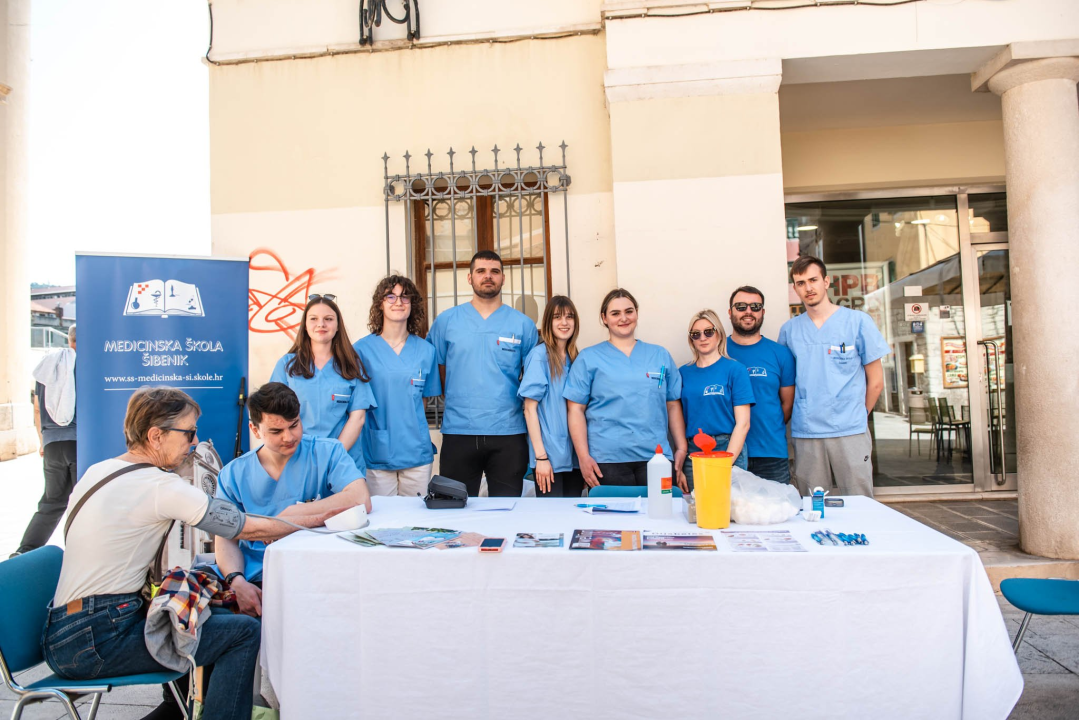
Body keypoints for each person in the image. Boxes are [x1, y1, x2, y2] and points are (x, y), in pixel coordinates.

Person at [42, 387, 332, 720]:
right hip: (98, 638)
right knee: (243, 632)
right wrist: (317, 519)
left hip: (68, 628)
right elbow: (245, 528)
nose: (195, 442)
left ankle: (179, 709)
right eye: (189, 432)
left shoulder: (99, 470)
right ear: (156, 436)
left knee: (202, 617)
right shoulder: (159, 487)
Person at [215, 382, 373, 618]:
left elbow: (360, 498)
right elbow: (226, 536)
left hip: (320, 573)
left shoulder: (327, 452)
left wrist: (290, 517)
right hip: (259, 578)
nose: (289, 437)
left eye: (294, 425)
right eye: (276, 432)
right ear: (255, 430)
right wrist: (237, 582)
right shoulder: (233, 474)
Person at [427, 250, 538, 497]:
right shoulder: (447, 321)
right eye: (481, 271)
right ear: (469, 278)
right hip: (459, 431)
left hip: (508, 432)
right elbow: (440, 368)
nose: (488, 276)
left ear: (503, 278)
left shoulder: (522, 325)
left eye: (494, 271)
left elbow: (531, 377)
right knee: (454, 509)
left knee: (507, 509)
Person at [779, 255, 890, 497]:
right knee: (812, 505)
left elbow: (877, 382)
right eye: (800, 283)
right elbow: (787, 383)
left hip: (849, 429)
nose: (808, 288)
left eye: (813, 280)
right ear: (795, 288)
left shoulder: (858, 322)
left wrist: (858, 414)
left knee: (859, 502)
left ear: (826, 281)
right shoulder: (790, 331)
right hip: (807, 431)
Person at [564, 288, 687, 489]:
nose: (624, 318)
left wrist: (681, 447)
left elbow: (672, 404)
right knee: (615, 519)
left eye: (629, 311)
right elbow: (575, 409)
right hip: (607, 459)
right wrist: (583, 456)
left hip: (656, 457)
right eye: (615, 313)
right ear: (604, 318)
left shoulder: (659, 355)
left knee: (660, 518)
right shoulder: (589, 358)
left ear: (636, 313)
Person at [354, 275, 441, 497]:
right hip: (377, 449)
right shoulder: (361, 351)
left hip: (416, 450)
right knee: (383, 521)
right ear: (380, 304)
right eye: (390, 296)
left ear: (413, 304)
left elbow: (421, 402)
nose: (398, 302)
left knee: (416, 521)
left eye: (405, 297)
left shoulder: (426, 351)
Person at [270, 294, 375, 475]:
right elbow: (274, 415)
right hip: (297, 459)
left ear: (337, 326)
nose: (321, 324)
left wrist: (333, 456)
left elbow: (357, 418)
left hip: (343, 461)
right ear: (305, 326)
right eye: (314, 319)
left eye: (328, 319)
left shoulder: (351, 366)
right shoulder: (287, 366)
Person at [12, 325, 77, 557]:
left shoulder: (48, 369)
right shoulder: (84, 366)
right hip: (78, 442)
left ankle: (25, 551)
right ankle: (79, 555)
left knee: (52, 502)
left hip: (52, 444)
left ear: (69, 340)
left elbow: (38, 410)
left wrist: (42, 441)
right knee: (85, 501)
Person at [726, 287, 797, 484]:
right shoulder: (717, 352)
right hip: (728, 453)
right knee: (727, 513)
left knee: (777, 513)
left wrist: (767, 427)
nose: (748, 311)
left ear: (762, 312)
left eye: (755, 307)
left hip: (771, 453)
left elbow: (787, 404)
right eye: (741, 307)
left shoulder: (781, 354)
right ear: (730, 312)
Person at [679, 310, 754, 489]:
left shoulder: (735, 370)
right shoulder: (683, 373)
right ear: (691, 340)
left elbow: (743, 424)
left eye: (708, 331)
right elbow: (678, 420)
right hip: (694, 451)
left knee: (730, 509)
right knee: (698, 508)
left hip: (727, 447)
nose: (702, 338)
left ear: (719, 334)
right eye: (696, 334)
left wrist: (726, 463)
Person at [519, 295, 584, 498]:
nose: (564, 323)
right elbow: (530, 409)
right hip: (550, 458)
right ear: (548, 322)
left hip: (575, 456)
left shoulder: (577, 358)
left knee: (574, 519)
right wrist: (541, 458)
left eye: (569, 317)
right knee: (553, 522)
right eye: (557, 317)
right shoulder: (539, 356)